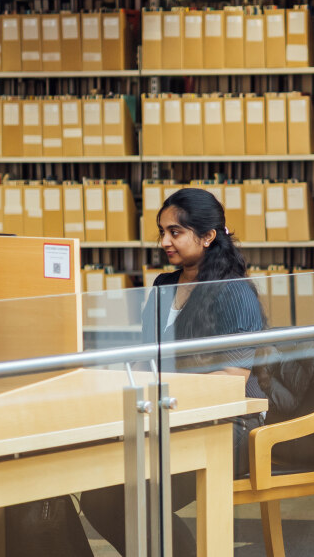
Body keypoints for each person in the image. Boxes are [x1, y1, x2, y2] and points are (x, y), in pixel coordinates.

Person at [77, 187, 268, 555]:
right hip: (166, 413)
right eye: (162, 232)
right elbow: (144, 358)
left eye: (175, 232)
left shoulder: (233, 291)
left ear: (208, 236)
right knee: (100, 497)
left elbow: (232, 380)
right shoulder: (164, 284)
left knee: (139, 494)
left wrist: (163, 391)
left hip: (228, 423)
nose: (164, 241)